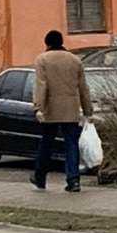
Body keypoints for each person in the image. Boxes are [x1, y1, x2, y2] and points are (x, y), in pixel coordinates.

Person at [32, 29, 92, 192]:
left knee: (46, 143)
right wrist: (88, 110)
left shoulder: (42, 59)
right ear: (61, 42)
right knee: (71, 144)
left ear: (47, 44)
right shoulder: (75, 60)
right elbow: (83, 88)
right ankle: (74, 180)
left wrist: (38, 108)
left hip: (50, 109)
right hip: (71, 109)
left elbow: (41, 86)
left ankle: (40, 177)